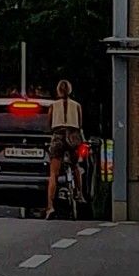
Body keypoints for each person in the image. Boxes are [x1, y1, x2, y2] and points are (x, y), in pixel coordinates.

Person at [45, 78, 87, 219]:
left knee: (53, 174)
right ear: (70, 90)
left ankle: (50, 206)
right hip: (73, 136)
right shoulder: (77, 106)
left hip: (58, 136)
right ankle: (79, 194)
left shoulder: (52, 106)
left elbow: (49, 124)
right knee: (76, 166)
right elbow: (80, 125)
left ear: (58, 90)